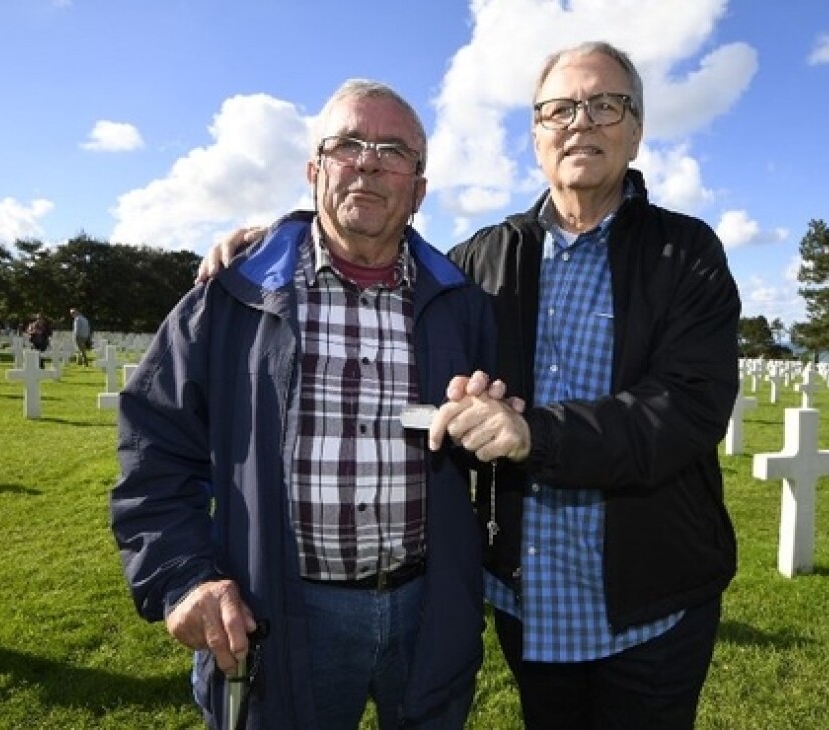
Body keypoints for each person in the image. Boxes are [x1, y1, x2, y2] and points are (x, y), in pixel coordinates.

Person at [201, 42, 741, 730]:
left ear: (636, 132)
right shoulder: (483, 258)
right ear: (536, 137)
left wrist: (534, 435)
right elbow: (381, 248)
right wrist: (281, 238)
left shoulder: (686, 253)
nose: (581, 122)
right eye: (560, 109)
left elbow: (687, 408)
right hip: (530, 602)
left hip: (650, 601)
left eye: (606, 106)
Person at [111, 79, 495, 730]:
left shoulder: (465, 308)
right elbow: (155, 452)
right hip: (281, 612)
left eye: (393, 150)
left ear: (419, 188)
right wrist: (184, 577)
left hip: (428, 608)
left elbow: (510, 437)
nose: (368, 161)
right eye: (347, 144)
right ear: (314, 169)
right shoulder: (231, 299)